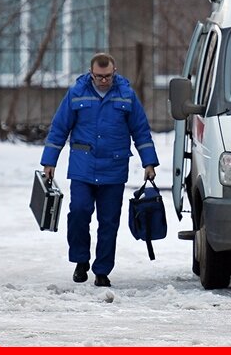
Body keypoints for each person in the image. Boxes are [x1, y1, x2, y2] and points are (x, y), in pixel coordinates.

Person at [40, 53, 159, 287]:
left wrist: (149, 162)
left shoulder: (127, 96)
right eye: (98, 76)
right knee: (79, 213)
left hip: (113, 169)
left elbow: (141, 132)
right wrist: (49, 161)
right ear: (90, 72)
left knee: (108, 222)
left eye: (107, 76)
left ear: (114, 72)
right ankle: (80, 260)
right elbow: (59, 128)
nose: (103, 81)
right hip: (83, 167)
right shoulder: (77, 93)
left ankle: (102, 271)